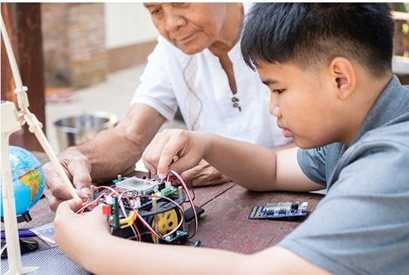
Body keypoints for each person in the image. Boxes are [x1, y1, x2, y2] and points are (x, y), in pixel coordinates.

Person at [54, 3, 409, 274]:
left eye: (279, 90)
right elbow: (271, 168)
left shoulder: (391, 163)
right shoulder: (354, 131)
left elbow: (263, 272)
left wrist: (91, 247)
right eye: (156, 10)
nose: (274, 108)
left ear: (340, 79)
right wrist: (206, 143)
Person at [43, 3, 291, 211]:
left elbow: (328, 143)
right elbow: (130, 135)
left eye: (181, 2)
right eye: (155, 11)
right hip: (222, 207)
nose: (171, 24)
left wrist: (233, 160)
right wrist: (76, 159)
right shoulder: (174, 49)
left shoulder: (287, 23)